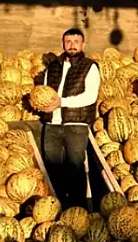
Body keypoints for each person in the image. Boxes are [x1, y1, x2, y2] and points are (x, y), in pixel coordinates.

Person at [35, 29, 100, 210]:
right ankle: (56, 209)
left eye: (76, 41)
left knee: (76, 169)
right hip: (52, 125)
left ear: (83, 44)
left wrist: (61, 103)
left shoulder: (90, 66)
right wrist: (40, 104)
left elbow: (90, 97)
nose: (72, 45)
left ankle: (78, 211)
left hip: (76, 125)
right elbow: (46, 92)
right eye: (68, 41)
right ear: (63, 43)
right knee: (52, 170)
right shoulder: (53, 67)